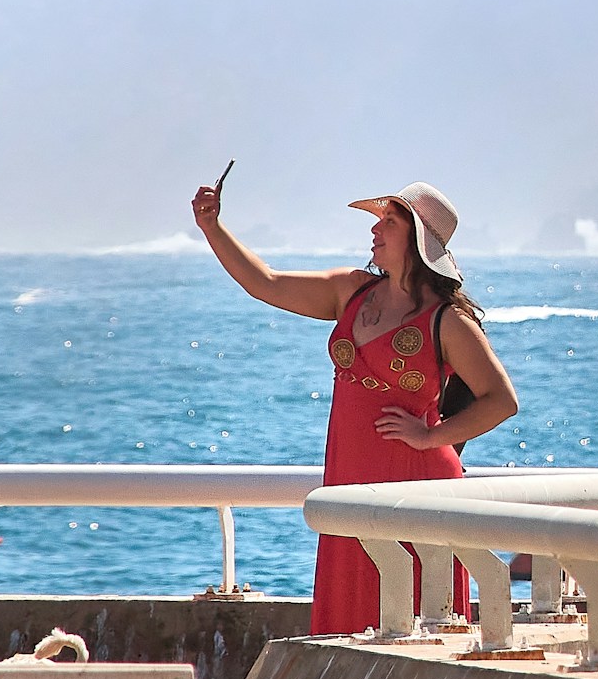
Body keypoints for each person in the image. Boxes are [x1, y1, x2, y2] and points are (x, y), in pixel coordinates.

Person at [193, 177, 518, 634]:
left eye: (388, 220)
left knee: (416, 629)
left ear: (418, 239)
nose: (374, 230)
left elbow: (502, 401)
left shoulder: (446, 320)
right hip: (348, 481)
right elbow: (263, 282)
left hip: (419, 490)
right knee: (349, 621)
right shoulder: (352, 291)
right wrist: (213, 227)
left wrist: (431, 436)